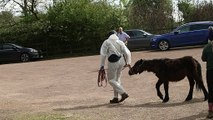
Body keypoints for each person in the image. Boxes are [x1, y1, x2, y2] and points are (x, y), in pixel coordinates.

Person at [99, 30, 131, 104]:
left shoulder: (106, 42)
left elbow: (103, 54)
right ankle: (115, 98)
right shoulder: (120, 42)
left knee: (111, 80)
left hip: (113, 62)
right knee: (117, 79)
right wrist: (128, 62)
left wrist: (102, 65)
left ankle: (123, 93)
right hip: (121, 61)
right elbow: (128, 52)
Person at [201, 26, 213, 119]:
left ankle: (210, 111)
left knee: (211, 91)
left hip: (210, 71)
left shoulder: (207, 47)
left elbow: (203, 59)